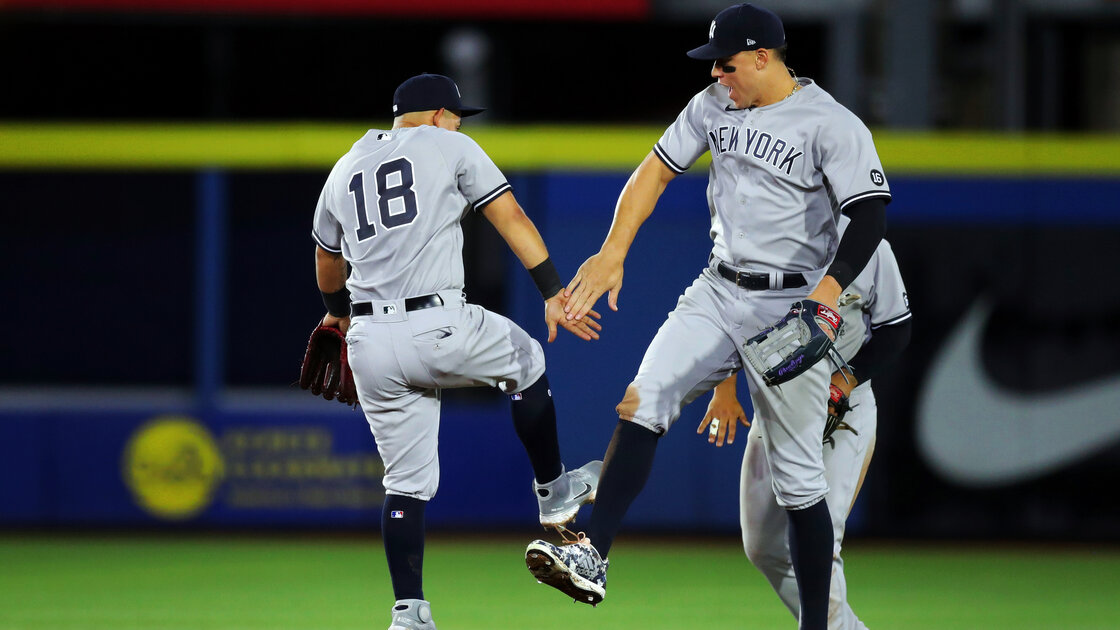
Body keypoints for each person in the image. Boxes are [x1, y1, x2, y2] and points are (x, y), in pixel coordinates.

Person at [523, 5, 892, 629]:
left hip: (794, 303)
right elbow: (653, 173)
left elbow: (872, 213)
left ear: (763, 57)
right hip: (719, 290)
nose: (717, 73)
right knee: (647, 396)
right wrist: (613, 251)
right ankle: (592, 554)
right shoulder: (711, 106)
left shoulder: (830, 124)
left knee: (799, 484)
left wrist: (826, 294)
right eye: (713, 64)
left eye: (726, 63)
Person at [311, 73, 603, 630]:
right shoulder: (450, 144)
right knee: (528, 363)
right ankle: (553, 493)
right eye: (458, 114)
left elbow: (329, 262)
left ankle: (409, 612)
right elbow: (511, 217)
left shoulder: (344, 168)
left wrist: (337, 312)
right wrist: (552, 292)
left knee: (405, 484)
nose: (461, 122)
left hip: (369, 341)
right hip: (437, 322)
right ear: (439, 114)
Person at [699, 220, 912, 630]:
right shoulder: (760, 237)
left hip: (843, 410)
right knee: (762, 545)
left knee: (821, 540)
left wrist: (846, 379)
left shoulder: (869, 247)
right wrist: (724, 386)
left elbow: (896, 329)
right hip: (777, 406)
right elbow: (724, 308)